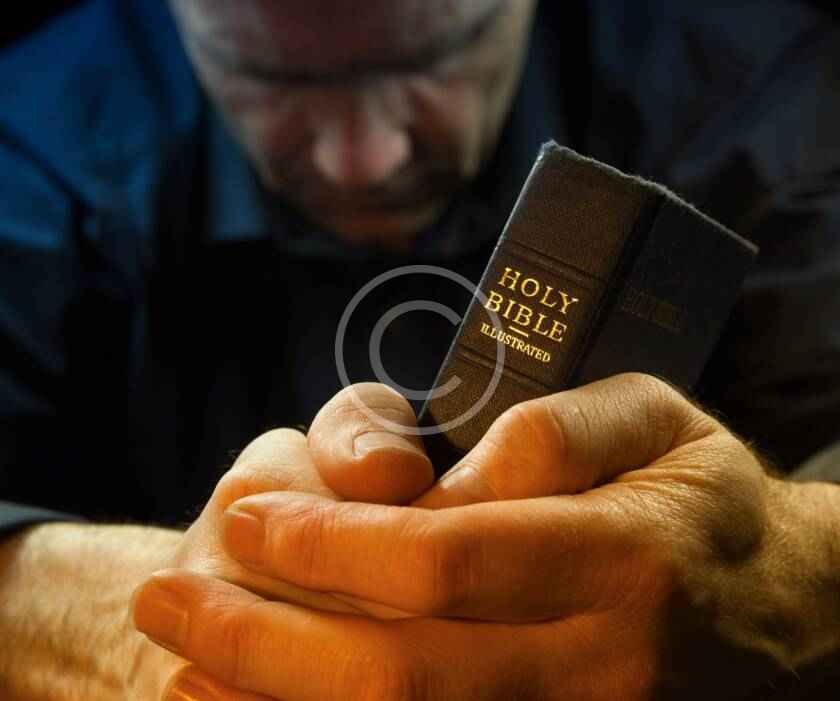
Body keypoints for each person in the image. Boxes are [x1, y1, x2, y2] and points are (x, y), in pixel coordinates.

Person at [0, 0, 838, 698]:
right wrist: (156, 629)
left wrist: (799, 566)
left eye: (434, 57)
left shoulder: (767, 97)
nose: (363, 159)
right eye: (268, 77)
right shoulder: (30, 136)